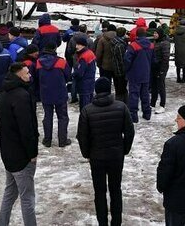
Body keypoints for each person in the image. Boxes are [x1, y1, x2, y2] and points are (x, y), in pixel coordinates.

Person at [77, 77, 135, 226]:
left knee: (100, 192)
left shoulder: (87, 110)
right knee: (116, 189)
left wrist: (87, 154)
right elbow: (129, 132)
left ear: (96, 91)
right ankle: (116, 222)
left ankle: (102, 222)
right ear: (110, 90)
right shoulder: (121, 107)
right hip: (116, 155)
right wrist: (124, 149)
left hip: (97, 157)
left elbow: (82, 136)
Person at [0, 62, 39, 226]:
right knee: (27, 198)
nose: (30, 76)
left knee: (10, 193)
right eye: (27, 73)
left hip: (8, 154)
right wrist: (32, 153)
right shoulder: (21, 96)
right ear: (19, 76)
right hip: (21, 157)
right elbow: (27, 129)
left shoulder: (5, 93)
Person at [36, 42, 71, 147]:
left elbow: (37, 77)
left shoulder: (38, 62)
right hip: (60, 92)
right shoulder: (61, 62)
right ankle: (62, 140)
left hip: (45, 93)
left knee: (47, 117)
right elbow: (68, 76)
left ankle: (47, 140)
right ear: (55, 49)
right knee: (63, 117)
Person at [124, 27, 154, 123]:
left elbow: (127, 60)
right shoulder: (151, 45)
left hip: (134, 74)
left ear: (136, 35)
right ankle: (147, 113)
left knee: (134, 95)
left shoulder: (133, 46)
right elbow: (154, 60)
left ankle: (133, 116)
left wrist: (126, 70)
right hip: (146, 74)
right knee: (145, 94)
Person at [73, 35, 97, 109]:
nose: (76, 46)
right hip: (90, 83)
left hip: (84, 85)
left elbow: (80, 73)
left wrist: (73, 75)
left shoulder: (84, 57)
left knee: (84, 107)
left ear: (83, 45)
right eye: (76, 44)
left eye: (79, 45)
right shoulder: (90, 53)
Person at [150, 28, 170, 113]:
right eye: (154, 33)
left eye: (156, 33)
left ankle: (162, 105)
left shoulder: (164, 43)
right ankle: (152, 103)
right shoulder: (155, 42)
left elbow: (166, 58)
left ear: (160, 34)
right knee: (154, 85)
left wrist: (162, 70)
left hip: (161, 67)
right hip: (154, 67)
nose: (154, 35)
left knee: (161, 86)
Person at [172, 19, 185, 83]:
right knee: (184, 65)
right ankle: (184, 78)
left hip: (177, 50)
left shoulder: (175, 32)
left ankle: (178, 78)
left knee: (178, 64)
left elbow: (174, 40)